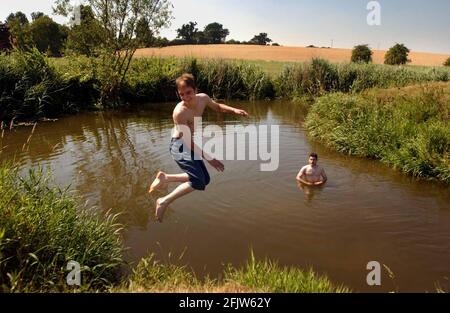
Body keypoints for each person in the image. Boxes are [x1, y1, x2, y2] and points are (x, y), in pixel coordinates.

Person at [149, 73, 249, 222]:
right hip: (179, 146)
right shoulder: (180, 113)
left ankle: (166, 178)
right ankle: (163, 201)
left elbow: (218, 107)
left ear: (195, 90)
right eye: (181, 94)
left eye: (188, 92)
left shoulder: (203, 98)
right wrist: (210, 159)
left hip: (189, 144)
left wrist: (234, 110)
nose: (186, 97)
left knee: (205, 180)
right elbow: (188, 142)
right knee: (198, 181)